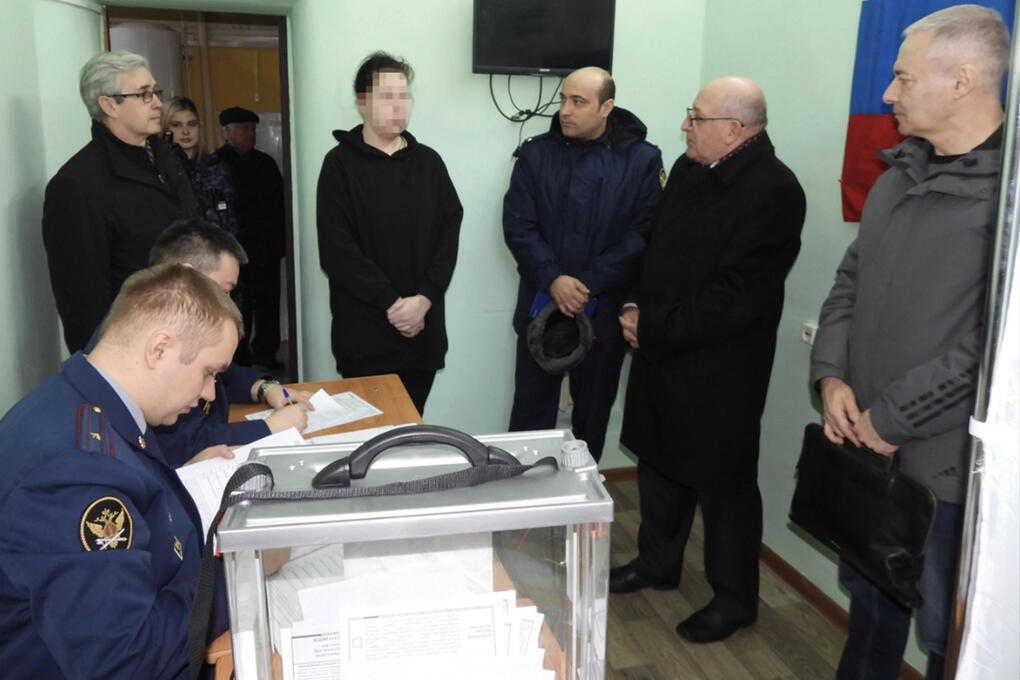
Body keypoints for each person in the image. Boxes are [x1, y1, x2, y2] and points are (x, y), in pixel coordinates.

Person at [810, 6, 1009, 678]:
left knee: (948, 638)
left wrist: (892, 418)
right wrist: (831, 377)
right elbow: (849, 284)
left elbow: (996, 348)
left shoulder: (1009, 198)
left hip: (946, 474)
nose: (888, 92)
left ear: (962, 81)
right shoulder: (897, 178)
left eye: (903, 78)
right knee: (870, 611)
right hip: (868, 453)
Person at [609, 77, 806, 645]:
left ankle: (734, 600)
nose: (685, 126)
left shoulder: (775, 190)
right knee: (659, 463)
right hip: (661, 349)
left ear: (735, 130)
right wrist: (633, 304)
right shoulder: (691, 168)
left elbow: (736, 299)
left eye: (695, 117)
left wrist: (652, 326)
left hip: (721, 370)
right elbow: (652, 246)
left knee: (724, 487)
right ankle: (657, 562)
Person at [0, 263, 241, 678]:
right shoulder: (75, 473)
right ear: (159, 349)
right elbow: (127, 659)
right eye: (209, 373)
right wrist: (236, 580)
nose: (208, 393)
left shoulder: (83, 403)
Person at [503, 66, 663, 461]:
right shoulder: (536, 154)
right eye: (563, 99)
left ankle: (582, 494)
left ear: (606, 107)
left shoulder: (642, 159)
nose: (565, 110)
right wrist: (554, 278)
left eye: (578, 102)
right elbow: (519, 225)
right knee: (529, 419)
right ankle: (523, 495)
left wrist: (587, 283)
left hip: (603, 312)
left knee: (590, 423)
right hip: (542, 307)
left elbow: (643, 234)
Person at [316, 51, 463, 415]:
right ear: (362, 102)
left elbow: (448, 234)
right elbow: (337, 250)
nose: (398, 106)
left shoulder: (429, 163)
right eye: (386, 97)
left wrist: (424, 300)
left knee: (410, 431)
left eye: (404, 96)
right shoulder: (339, 165)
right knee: (371, 438)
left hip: (422, 332)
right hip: (365, 336)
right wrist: (393, 305)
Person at [42, 50, 198, 353]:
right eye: (144, 94)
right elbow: (82, 302)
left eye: (156, 91)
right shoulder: (77, 185)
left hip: (188, 330)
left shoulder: (165, 158)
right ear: (109, 104)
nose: (158, 103)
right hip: (136, 351)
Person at [148, 219, 311, 467]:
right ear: (187, 275)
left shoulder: (175, 325)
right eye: (223, 291)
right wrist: (270, 428)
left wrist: (265, 387)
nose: (228, 303)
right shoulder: (162, 343)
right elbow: (181, 443)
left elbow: (225, 375)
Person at [215, 106, 286, 368]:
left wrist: (280, 244)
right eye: (245, 129)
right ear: (228, 133)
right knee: (238, 308)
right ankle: (239, 359)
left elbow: (280, 205)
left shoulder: (265, 163)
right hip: (235, 252)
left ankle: (267, 354)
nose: (251, 134)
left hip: (266, 250)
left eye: (253, 129)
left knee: (268, 305)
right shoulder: (216, 164)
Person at [162, 96, 238, 235]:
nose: (185, 131)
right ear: (165, 129)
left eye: (192, 124)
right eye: (176, 125)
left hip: (216, 243)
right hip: (177, 245)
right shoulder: (160, 170)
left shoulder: (216, 167)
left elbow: (230, 219)